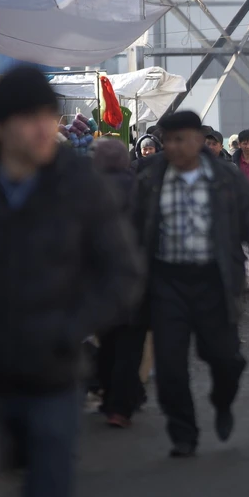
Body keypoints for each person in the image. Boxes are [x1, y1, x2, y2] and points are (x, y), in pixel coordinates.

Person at [0, 66, 144, 497]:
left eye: (48, 115)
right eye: (28, 117)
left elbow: (122, 272)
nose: (44, 127)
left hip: (52, 373)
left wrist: (72, 325)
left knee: (48, 488)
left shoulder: (81, 185)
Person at [134, 111, 249, 457]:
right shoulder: (150, 178)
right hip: (167, 282)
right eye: (167, 140)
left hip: (215, 281)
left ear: (199, 140)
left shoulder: (225, 179)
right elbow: (131, 230)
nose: (172, 146)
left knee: (225, 359)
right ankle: (183, 433)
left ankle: (222, 401)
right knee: (169, 366)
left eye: (180, 139)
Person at [90, 138, 146, 429]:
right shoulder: (138, 187)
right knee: (129, 346)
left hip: (99, 283)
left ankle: (114, 396)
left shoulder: (88, 190)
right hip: (135, 279)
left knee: (108, 343)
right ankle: (122, 404)